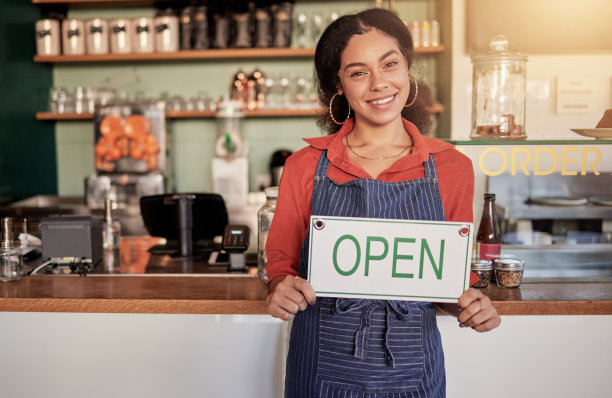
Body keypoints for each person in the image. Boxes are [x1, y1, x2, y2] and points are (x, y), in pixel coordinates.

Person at [265, 8, 501, 397]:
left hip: (413, 372)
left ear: (407, 68)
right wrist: (279, 288)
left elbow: (447, 283)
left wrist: (471, 305)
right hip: (319, 371)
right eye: (358, 72)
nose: (379, 83)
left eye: (389, 64)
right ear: (338, 86)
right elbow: (281, 268)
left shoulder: (451, 167)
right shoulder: (304, 165)